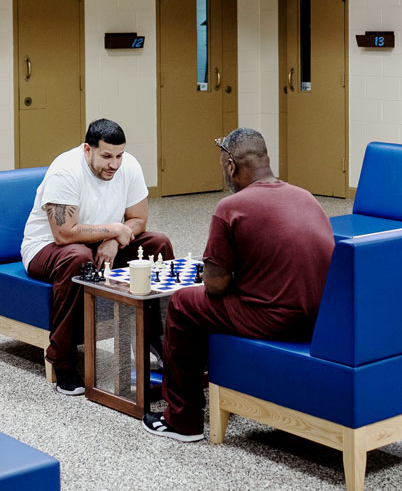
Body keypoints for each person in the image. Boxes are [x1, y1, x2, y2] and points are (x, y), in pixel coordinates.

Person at [143, 127, 335, 441]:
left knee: (182, 304)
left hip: (276, 320)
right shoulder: (305, 196)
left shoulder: (230, 208)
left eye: (223, 169)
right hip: (320, 319)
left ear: (231, 166)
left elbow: (215, 286)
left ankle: (183, 419)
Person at [21, 118, 172, 396]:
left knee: (158, 244)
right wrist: (113, 228)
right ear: (87, 150)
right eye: (106, 156)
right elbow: (64, 234)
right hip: (46, 248)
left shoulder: (129, 166)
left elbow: (139, 219)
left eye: (118, 156)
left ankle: (160, 340)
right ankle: (62, 358)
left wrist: (114, 239)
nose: (114, 164)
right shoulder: (64, 172)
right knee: (78, 258)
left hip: (99, 246)